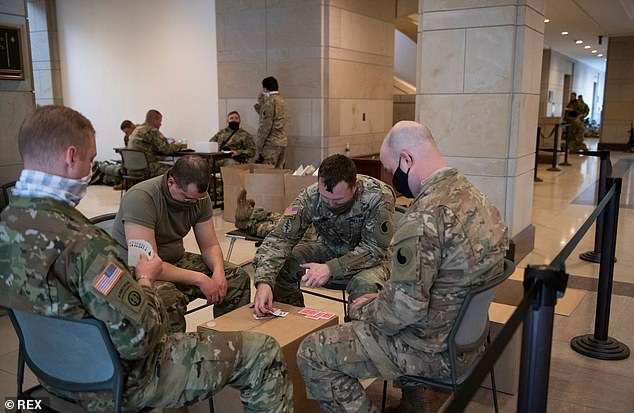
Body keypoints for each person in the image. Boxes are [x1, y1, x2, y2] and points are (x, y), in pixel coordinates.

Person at [0, 105, 293, 412]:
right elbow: (140, 339)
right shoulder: (84, 244)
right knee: (263, 352)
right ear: (71, 156)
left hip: (56, 375)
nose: (90, 169)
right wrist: (145, 279)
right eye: (90, 159)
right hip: (117, 381)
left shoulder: (8, 224)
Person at [296, 121, 508, 413]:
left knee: (313, 352)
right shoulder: (479, 200)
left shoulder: (424, 217)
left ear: (407, 160)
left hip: (431, 350)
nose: (390, 176)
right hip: (471, 341)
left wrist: (363, 308)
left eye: (390, 168)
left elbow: (403, 311)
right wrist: (385, 300)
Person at [112, 155, 251, 331]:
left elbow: (209, 245)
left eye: (197, 199)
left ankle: (229, 343)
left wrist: (218, 272)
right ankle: (173, 354)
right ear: (171, 182)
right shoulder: (141, 198)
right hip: (137, 271)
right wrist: (200, 279)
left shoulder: (199, 197)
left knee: (236, 277)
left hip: (173, 260)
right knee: (168, 297)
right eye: (187, 198)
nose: (192, 204)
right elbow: (146, 264)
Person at [252, 154, 396, 317]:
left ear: (354, 187)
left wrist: (331, 268)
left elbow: (374, 249)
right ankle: (292, 324)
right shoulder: (310, 196)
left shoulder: (378, 196)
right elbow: (280, 239)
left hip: (374, 261)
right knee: (281, 266)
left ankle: (354, 337)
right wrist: (264, 281)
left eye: (338, 201)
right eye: (325, 199)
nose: (331, 205)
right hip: (330, 248)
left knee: (363, 284)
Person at [128, 109, 182, 177]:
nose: (160, 124)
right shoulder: (152, 130)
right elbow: (167, 150)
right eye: (160, 121)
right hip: (146, 169)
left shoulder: (137, 129)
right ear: (154, 120)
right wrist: (176, 145)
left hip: (131, 169)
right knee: (177, 169)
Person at [254, 76, 288, 168]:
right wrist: (260, 105)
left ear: (264, 88)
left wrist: (259, 145)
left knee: (267, 174)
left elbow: (265, 126)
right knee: (279, 173)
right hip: (282, 142)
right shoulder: (281, 100)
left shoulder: (269, 102)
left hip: (271, 144)